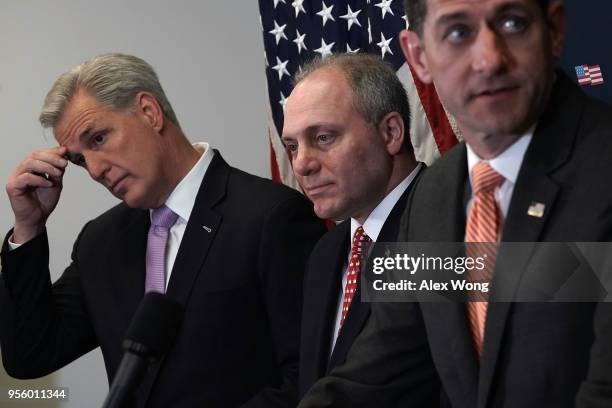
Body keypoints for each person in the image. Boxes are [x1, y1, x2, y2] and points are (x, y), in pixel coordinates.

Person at [298, 0, 612, 407]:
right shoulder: (434, 195)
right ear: (418, 57)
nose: (488, 59)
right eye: (458, 33)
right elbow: (380, 371)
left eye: (513, 23)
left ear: (554, 30)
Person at [0, 53, 325, 407]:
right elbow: (32, 355)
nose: (93, 170)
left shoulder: (271, 217)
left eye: (97, 139)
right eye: (79, 160)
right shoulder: (100, 241)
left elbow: (309, 377)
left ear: (149, 112)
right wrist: (28, 227)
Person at [281, 53, 434, 400]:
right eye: (292, 146)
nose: (301, 164)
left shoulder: (446, 226)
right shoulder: (326, 252)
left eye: (322, 137)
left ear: (390, 133)